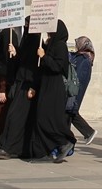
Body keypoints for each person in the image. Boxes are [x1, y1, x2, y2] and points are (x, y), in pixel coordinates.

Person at [0, 21, 41, 160]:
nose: (25, 26)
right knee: (13, 116)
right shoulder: (26, 40)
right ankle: (8, 146)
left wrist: (33, 86)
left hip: (28, 86)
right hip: (20, 84)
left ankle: (11, 148)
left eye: (27, 24)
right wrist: (15, 52)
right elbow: (22, 62)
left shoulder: (37, 42)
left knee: (17, 117)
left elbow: (37, 68)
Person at [33, 20, 78, 163]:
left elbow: (58, 67)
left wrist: (44, 56)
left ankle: (64, 142)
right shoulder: (51, 44)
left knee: (47, 119)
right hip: (46, 84)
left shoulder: (60, 46)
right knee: (42, 118)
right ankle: (46, 151)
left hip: (54, 86)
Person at [67, 35, 97, 145]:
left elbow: (79, 79)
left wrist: (74, 93)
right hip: (72, 91)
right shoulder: (78, 56)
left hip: (75, 91)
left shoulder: (85, 60)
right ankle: (88, 133)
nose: (75, 46)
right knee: (70, 113)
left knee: (71, 112)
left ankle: (88, 132)